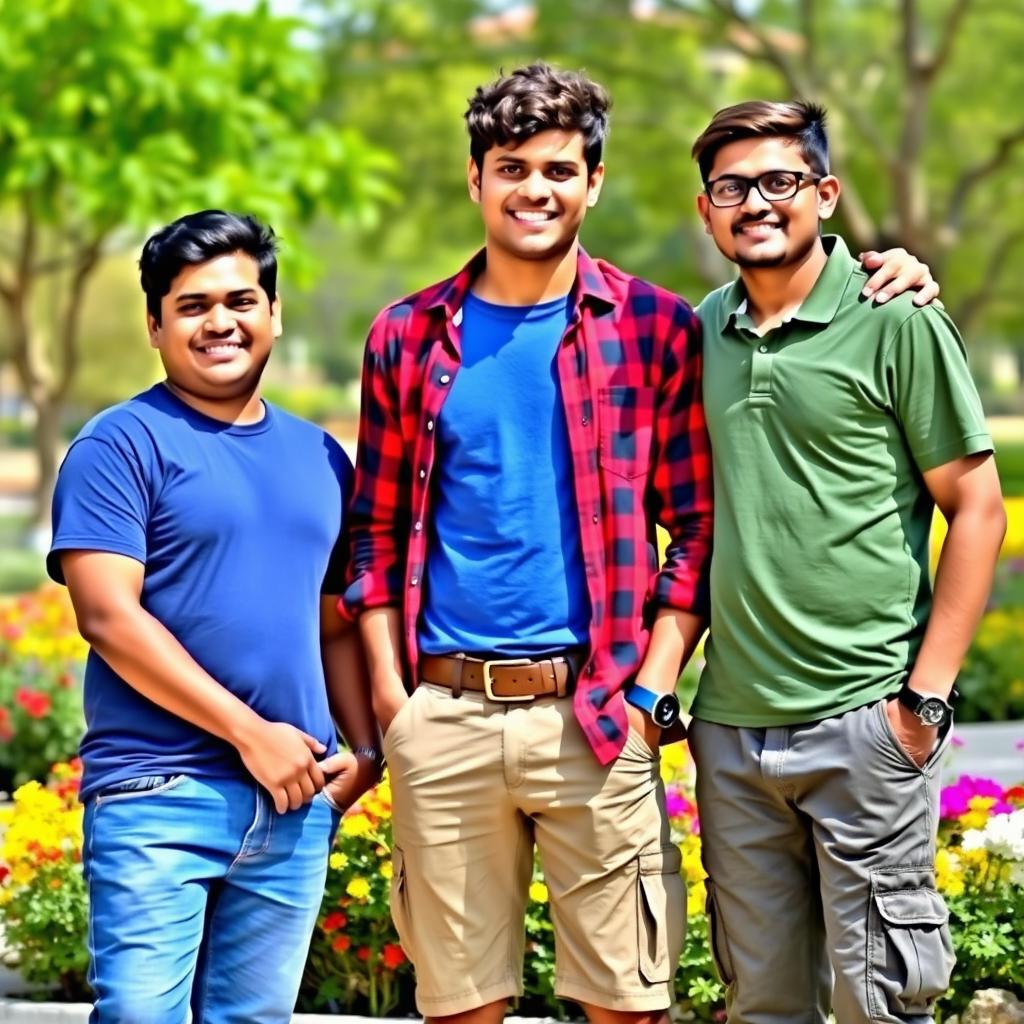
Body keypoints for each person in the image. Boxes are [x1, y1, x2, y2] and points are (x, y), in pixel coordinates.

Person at [342, 64, 935, 1024]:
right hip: (443, 712)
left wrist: (648, 683)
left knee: (628, 1006)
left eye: (558, 169)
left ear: (595, 181)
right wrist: (390, 701)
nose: (535, 188)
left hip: (597, 709)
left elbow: (696, 529)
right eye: (511, 167)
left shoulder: (656, 329)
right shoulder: (407, 336)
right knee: (459, 1008)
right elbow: (372, 533)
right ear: (474, 179)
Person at [687, 101, 1007, 1024]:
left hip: (865, 726)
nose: (756, 202)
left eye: (780, 181)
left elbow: (976, 510)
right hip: (733, 736)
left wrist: (925, 702)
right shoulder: (699, 332)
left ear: (825, 193)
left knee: (880, 1006)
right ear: (706, 211)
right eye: (731, 187)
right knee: (763, 1007)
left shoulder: (894, 318)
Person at [47, 210, 380, 1024]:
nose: (220, 322)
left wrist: (365, 749)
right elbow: (108, 618)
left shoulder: (321, 458)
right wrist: (247, 733)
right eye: (192, 305)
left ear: (273, 314)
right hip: (158, 791)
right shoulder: (120, 444)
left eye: (240, 300)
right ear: (156, 325)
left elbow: (333, 621)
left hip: (296, 803)